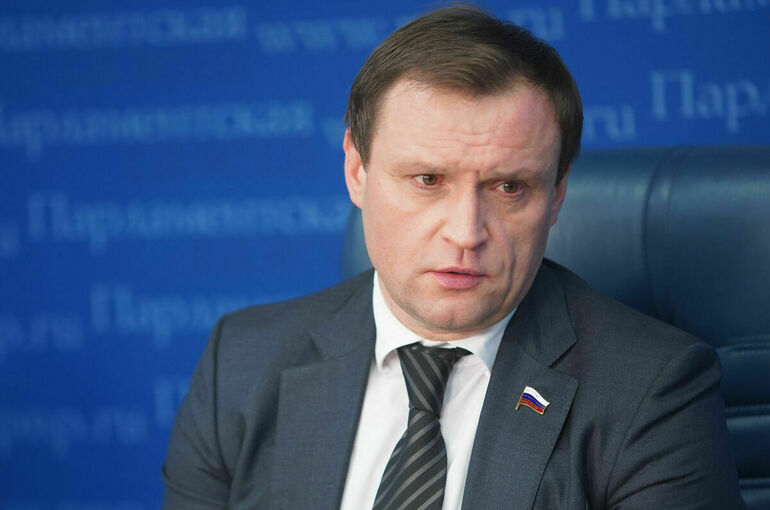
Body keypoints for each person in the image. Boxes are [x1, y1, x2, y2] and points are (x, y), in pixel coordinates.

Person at [161, 6, 744, 509]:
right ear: (356, 170)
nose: (466, 233)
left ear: (557, 195)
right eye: (428, 179)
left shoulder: (653, 390)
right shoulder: (241, 363)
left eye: (509, 188)